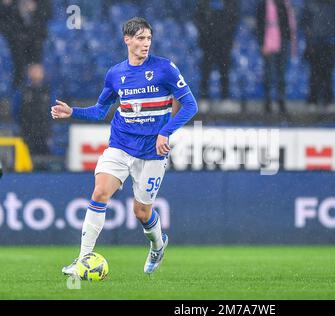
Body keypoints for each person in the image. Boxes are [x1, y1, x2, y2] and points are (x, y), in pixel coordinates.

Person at [52, 17, 198, 275]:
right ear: (127, 40)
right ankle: (83, 259)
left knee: (141, 212)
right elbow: (100, 112)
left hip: (152, 152)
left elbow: (190, 105)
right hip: (120, 145)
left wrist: (165, 132)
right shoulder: (115, 74)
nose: (146, 44)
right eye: (140, 38)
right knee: (99, 193)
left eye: (149, 39)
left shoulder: (165, 69)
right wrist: (72, 112)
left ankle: (157, 244)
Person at [194, 0, 240, 110]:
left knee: (224, 71)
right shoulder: (203, 3)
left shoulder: (230, 3)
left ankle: (225, 100)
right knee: (206, 71)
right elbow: (198, 19)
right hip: (208, 43)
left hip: (224, 43)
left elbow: (234, 19)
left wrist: (226, 35)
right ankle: (204, 100)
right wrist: (207, 34)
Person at [256, 0, 297, 114]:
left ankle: (281, 101)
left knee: (281, 74)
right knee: (269, 73)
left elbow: (290, 25)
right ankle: (268, 102)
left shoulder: (286, 4)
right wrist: (262, 43)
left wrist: (291, 42)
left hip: (283, 42)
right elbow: (259, 24)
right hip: (269, 42)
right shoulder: (264, 4)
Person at [301, 0, 335, 111]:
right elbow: (305, 23)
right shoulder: (310, 5)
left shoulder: (334, 5)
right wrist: (310, 40)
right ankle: (313, 100)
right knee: (314, 73)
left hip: (329, 44)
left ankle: (328, 100)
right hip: (315, 44)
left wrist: (334, 39)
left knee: (327, 74)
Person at [19, 63, 52, 158]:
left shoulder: (48, 90)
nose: (36, 73)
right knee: (28, 161)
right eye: (33, 71)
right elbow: (16, 110)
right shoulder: (24, 90)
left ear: (42, 73)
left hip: (44, 131)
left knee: (44, 160)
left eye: (38, 71)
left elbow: (53, 108)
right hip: (27, 131)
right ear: (29, 73)